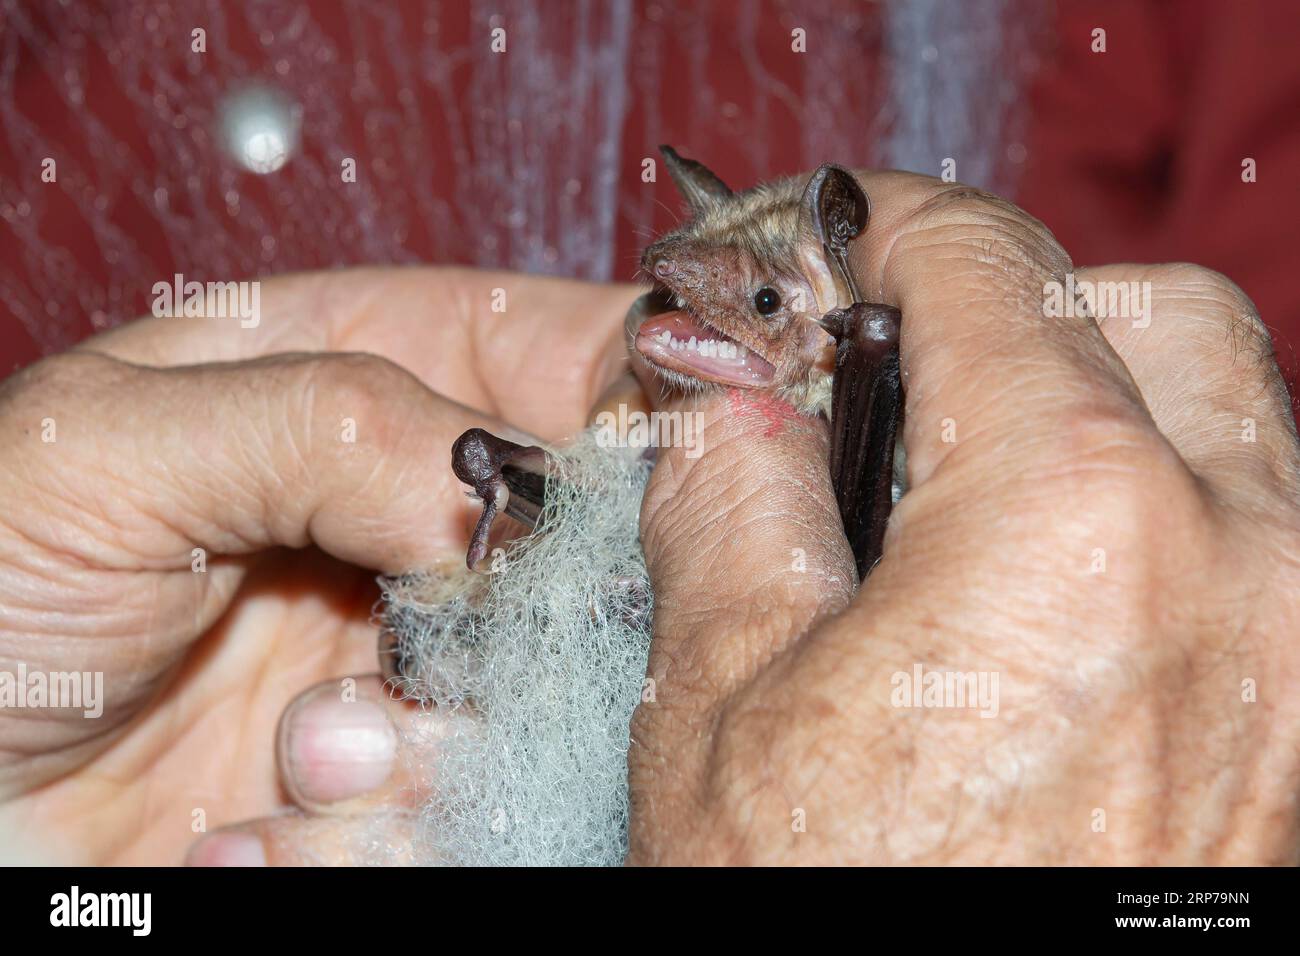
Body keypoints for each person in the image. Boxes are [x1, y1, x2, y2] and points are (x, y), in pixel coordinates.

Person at [0, 171, 1296, 865]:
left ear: (851, 336)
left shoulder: (935, 476)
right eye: (694, 298)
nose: (700, 324)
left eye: (769, 308)